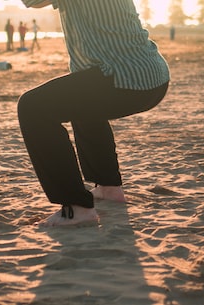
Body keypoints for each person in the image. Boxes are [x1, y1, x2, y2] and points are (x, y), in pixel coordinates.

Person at [17, 0, 170, 227]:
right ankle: (109, 188)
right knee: (83, 100)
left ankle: (77, 208)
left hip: (125, 77)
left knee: (33, 108)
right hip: (150, 75)